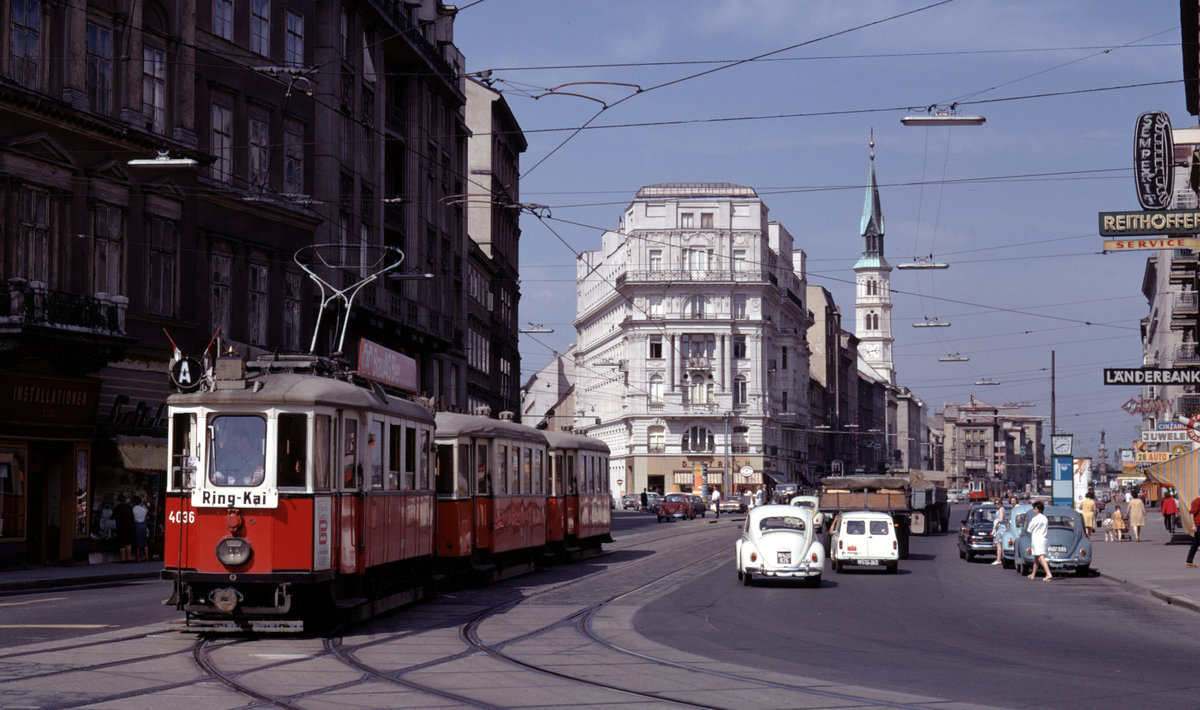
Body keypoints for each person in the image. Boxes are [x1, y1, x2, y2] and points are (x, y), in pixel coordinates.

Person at [1026, 500, 1053, 581]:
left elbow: (1029, 529)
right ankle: (1033, 574)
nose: (1033, 510)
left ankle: (1048, 573)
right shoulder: (1045, 518)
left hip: (1036, 540)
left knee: (1041, 557)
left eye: (1034, 509)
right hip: (1043, 539)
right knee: (1036, 558)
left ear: (1037, 509)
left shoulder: (1035, 519)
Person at [113, 494, 134, 562]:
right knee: (128, 543)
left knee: (122, 543)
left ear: (118, 501)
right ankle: (129, 558)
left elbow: (113, 516)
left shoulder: (117, 507)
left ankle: (122, 559)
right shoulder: (129, 507)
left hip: (121, 527)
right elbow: (132, 517)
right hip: (129, 527)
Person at [131, 495, 149, 562]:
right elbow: (145, 518)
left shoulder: (133, 509)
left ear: (134, 502)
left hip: (137, 525)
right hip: (143, 525)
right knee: (144, 542)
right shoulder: (144, 509)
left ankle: (138, 558)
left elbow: (132, 519)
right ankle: (147, 557)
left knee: (137, 543)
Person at [1187, 495, 1200, 568]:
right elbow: (1192, 513)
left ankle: (1189, 561)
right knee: (1196, 543)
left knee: (1195, 543)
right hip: (1198, 525)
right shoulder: (1197, 501)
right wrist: (1193, 525)